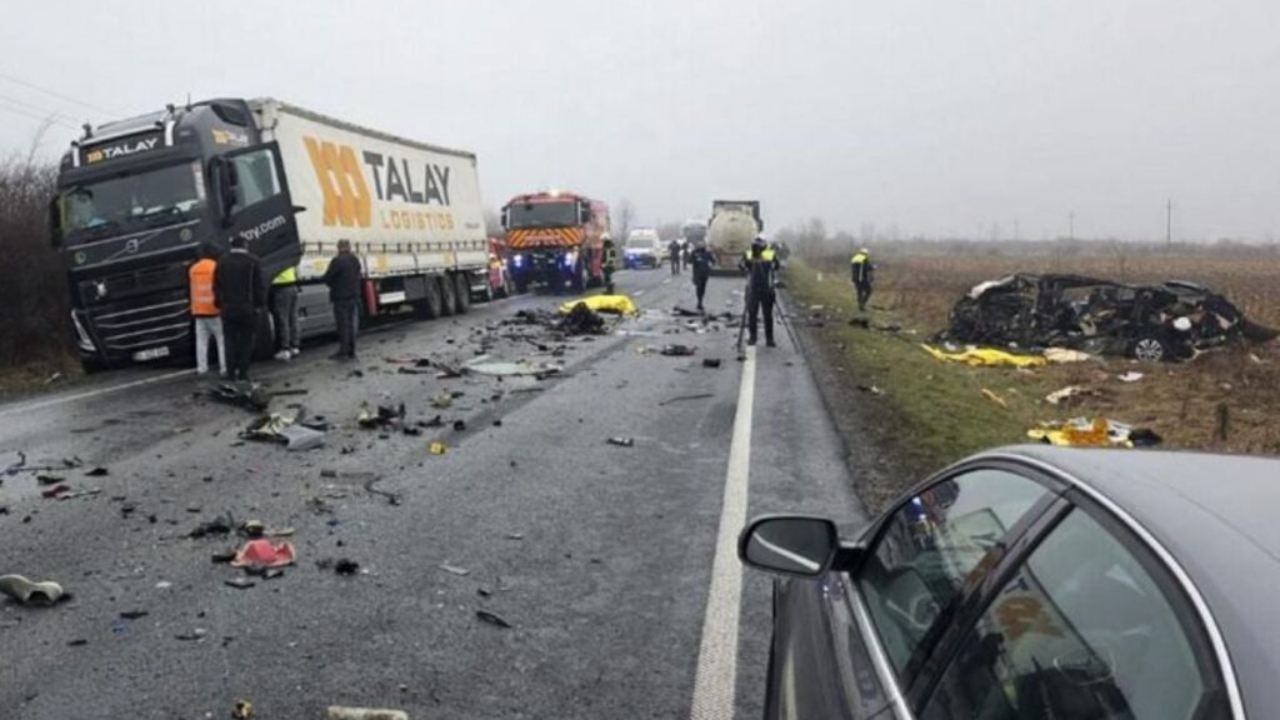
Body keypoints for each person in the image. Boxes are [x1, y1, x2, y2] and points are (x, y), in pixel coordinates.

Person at [213, 237, 266, 382]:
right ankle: (243, 372)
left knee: (229, 341)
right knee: (246, 341)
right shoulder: (253, 261)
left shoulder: (222, 261)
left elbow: (217, 286)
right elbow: (259, 286)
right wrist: (260, 305)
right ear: (245, 245)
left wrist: (220, 305)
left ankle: (231, 373)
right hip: (247, 309)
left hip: (228, 309)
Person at [188, 244, 226, 376]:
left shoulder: (193, 269)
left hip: (198, 310)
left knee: (201, 342)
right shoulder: (215, 267)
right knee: (221, 340)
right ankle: (224, 368)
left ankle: (202, 368)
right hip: (214, 310)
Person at [323, 239, 363, 361]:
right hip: (354, 296)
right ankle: (352, 351)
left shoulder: (337, 261)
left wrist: (334, 285)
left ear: (339, 247)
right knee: (351, 325)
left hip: (341, 298)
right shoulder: (355, 260)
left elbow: (327, 278)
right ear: (349, 247)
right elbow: (358, 274)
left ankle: (343, 352)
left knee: (343, 325)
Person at [739, 236, 779, 347]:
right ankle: (757, 338)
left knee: (764, 315)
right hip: (755, 287)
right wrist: (747, 264)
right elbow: (741, 266)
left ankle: (766, 339)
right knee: (754, 314)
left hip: (765, 288)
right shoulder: (750, 254)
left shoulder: (768, 254)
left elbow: (776, 266)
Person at [270, 265, 301, 361]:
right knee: (293, 318)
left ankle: (285, 349)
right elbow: (297, 272)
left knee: (283, 319)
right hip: (293, 286)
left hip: (281, 288)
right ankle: (295, 346)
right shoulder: (289, 259)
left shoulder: (276, 260)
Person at [689, 241, 715, 312]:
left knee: (703, 289)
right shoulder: (695, 253)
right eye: (699, 245)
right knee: (698, 288)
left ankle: (701, 301)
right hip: (697, 274)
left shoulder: (707, 253)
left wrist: (710, 265)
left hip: (705, 274)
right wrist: (693, 255)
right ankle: (699, 302)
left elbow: (713, 260)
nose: (701, 246)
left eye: (702, 245)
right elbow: (690, 261)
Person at [851, 247, 874, 312]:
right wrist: (873, 267)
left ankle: (860, 306)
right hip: (862, 278)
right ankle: (862, 304)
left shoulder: (854, 258)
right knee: (869, 291)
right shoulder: (864, 259)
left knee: (859, 292)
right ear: (865, 253)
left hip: (855, 278)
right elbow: (866, 268)